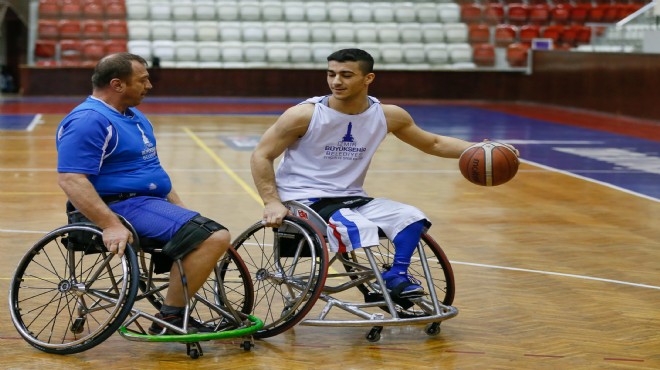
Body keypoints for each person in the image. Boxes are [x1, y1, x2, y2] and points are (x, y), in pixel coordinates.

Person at [251, 48, 517, 298]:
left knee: (412, 217)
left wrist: (484, 149)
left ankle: (397, 275)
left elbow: (433, 143)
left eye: (346, 75)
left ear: (369, 78)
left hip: (351, 197)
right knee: (358, 226)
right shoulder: (303, 115)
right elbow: (262, 155)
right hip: (303, 199)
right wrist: (271, 201)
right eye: (331, 74)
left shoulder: (389, 115)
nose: (336, 81)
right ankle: (386, 281)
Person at [56, 52, 230, 334]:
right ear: (117, 84)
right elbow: (72, 179)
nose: (149, 86)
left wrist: (181, 208)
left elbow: (154, 171)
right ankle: (171, 319)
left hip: (145, 203)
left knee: (202, 230)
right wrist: (109, 225)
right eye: (143, 80)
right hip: (119, 207)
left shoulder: (134, 116)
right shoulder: (89, 120)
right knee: (214, 236)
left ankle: (174, 307)